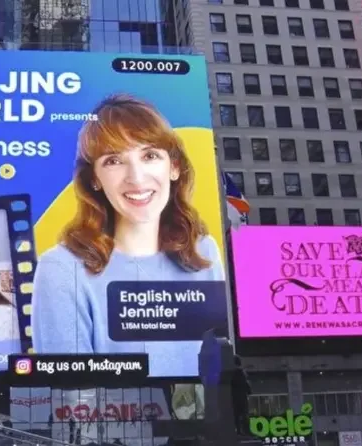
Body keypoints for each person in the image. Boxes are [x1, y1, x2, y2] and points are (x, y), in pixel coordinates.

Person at [31, 94, 225, 377]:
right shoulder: (61, 268)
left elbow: (217, 367)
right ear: (94, 179)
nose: (136, 177)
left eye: (149, 156)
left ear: (174, 167)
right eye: (113, 161)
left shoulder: (204, 252)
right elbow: (71, 393)